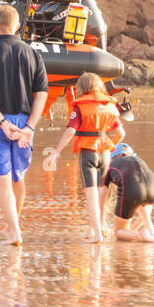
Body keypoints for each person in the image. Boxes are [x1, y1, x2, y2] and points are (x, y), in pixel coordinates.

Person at [0, 3, 48, 245]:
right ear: (17, 26)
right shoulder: (33, 54)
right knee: (18, 178)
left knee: (2, 179)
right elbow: (42, 94)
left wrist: (3, 123)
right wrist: (30, 127)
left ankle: (14, 231)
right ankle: (13, 226)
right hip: (25, 121)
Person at [50, 72, 124, 243]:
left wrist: (57, 151)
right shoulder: (109, 106)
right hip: (105, 153)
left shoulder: (79, 107)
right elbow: (121, 132)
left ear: (81, 88)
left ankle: (97, 234)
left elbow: (70, 131)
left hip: (88, 152)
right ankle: (96, 229)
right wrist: (111, 145)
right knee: (102, 192)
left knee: (91, 194)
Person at [102, 142, 154, 244]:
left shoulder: (110, 166)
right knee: (142, 201)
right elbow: (152, 182)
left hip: (134, 192)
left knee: (118, 231)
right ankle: (150, 232)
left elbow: (102, 198)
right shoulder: (139, 161)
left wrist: (101, 223)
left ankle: (140, 236)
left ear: (111, 158)